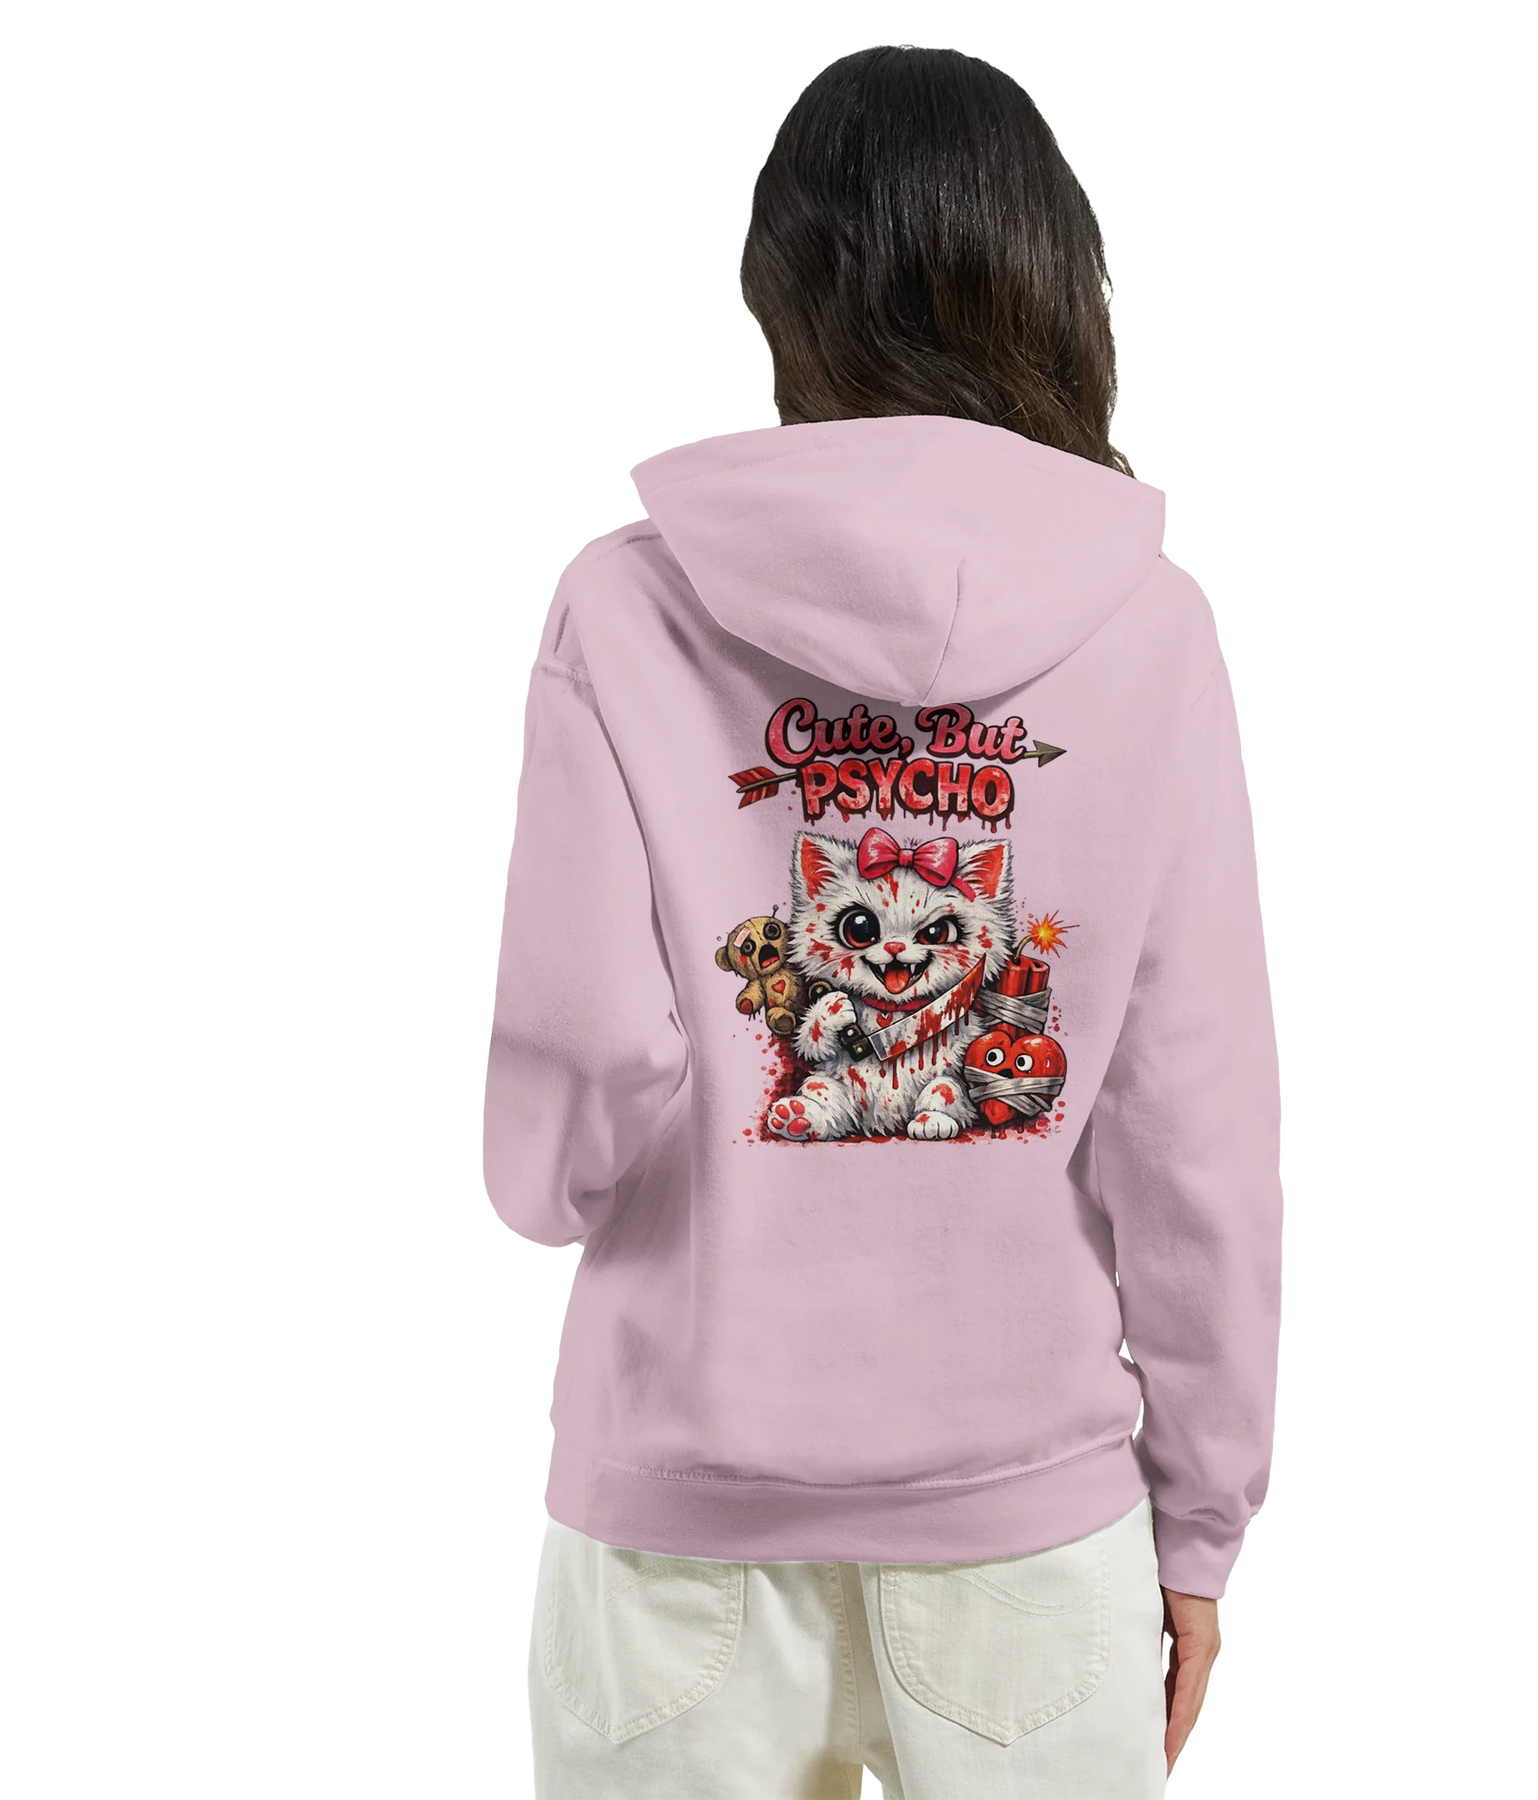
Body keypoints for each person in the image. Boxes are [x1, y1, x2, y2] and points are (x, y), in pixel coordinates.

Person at [481, 41, 1285, 1798]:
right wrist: (1205, 1516)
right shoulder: (1151, 622)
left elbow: (582, 1047)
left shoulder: (622, 598)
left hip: (675, 1516)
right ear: (1057, 284)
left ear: (776, 285)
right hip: (1031, 1524)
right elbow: (1198, 1130)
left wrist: (545, 1182)